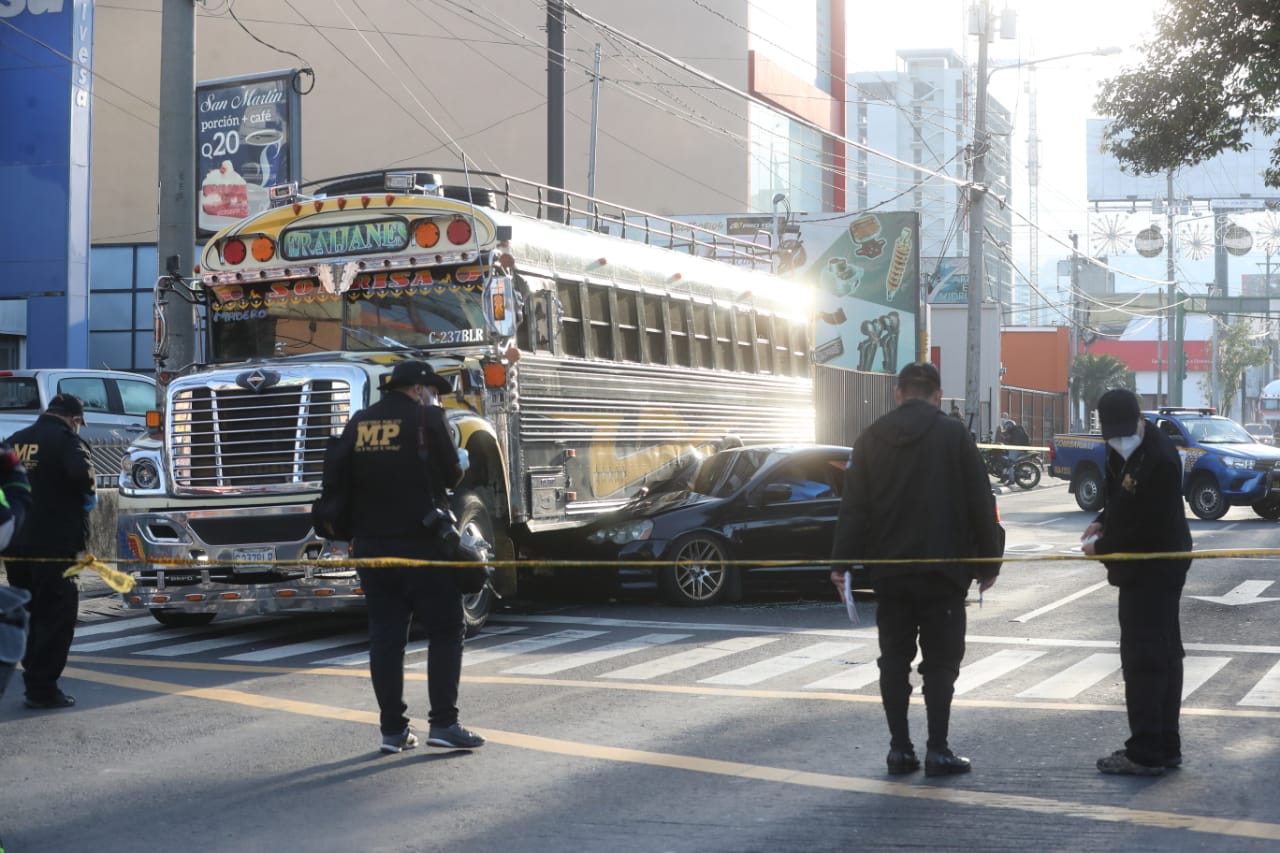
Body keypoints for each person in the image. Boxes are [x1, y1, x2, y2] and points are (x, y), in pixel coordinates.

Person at [830, 362, 1002, 777]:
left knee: (894, 659)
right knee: (941, 663)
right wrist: (988, 561)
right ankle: (938, 749)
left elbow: (853, 508)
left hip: (890, 572)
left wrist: (842, 564)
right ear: (938, 395)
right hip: (944, 572)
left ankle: (899, 749)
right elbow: (980, 499)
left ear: (898, 393)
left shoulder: (870, 439)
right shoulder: (954, 435)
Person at [325, 360, 485, 754]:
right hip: (423, 544)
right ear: (419, 389)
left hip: (371, 547)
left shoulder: (359, 422)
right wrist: (436, 419)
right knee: (446, 629)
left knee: (385, 637)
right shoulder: (426, 418)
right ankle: (444, 724)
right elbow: (452, 476)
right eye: (430, 390)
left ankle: (393, 731)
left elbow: (336, 479)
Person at [1081, 388, 1192, 776]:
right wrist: (1102, 520)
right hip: (1143, 565)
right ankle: (1165, 745)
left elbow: (1147, 528)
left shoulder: (1160, 458)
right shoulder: (1118, 448)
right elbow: (1118, 498)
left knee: (1145, 658)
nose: (1119, 442)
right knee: (1161, 653)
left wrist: (1103, 548)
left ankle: (1146, 751)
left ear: (1140, 421)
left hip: (1155, 567)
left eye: (1125, 433)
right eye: (1112, 435)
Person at [4, 394, 93, 710]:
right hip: (54, 545)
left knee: (28, 612)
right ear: (73, 418)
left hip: (16, 545)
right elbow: (81, 476)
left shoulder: (15, 441)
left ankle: (34, 677)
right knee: (56, 615)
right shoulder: (66, 440)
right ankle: (42, 688)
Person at [997, 416, 1031, 485]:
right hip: (1018, 449)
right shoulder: (1016, 430)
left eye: (1007, 426)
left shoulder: (1017, 432)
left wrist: (1006, 439)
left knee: (1009, 463)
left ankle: (1011, 480)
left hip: (1017, 449)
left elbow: (1014, 442)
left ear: (1011, 426)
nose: (1007, 428)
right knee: (1005, 461)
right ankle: (1004, 477)